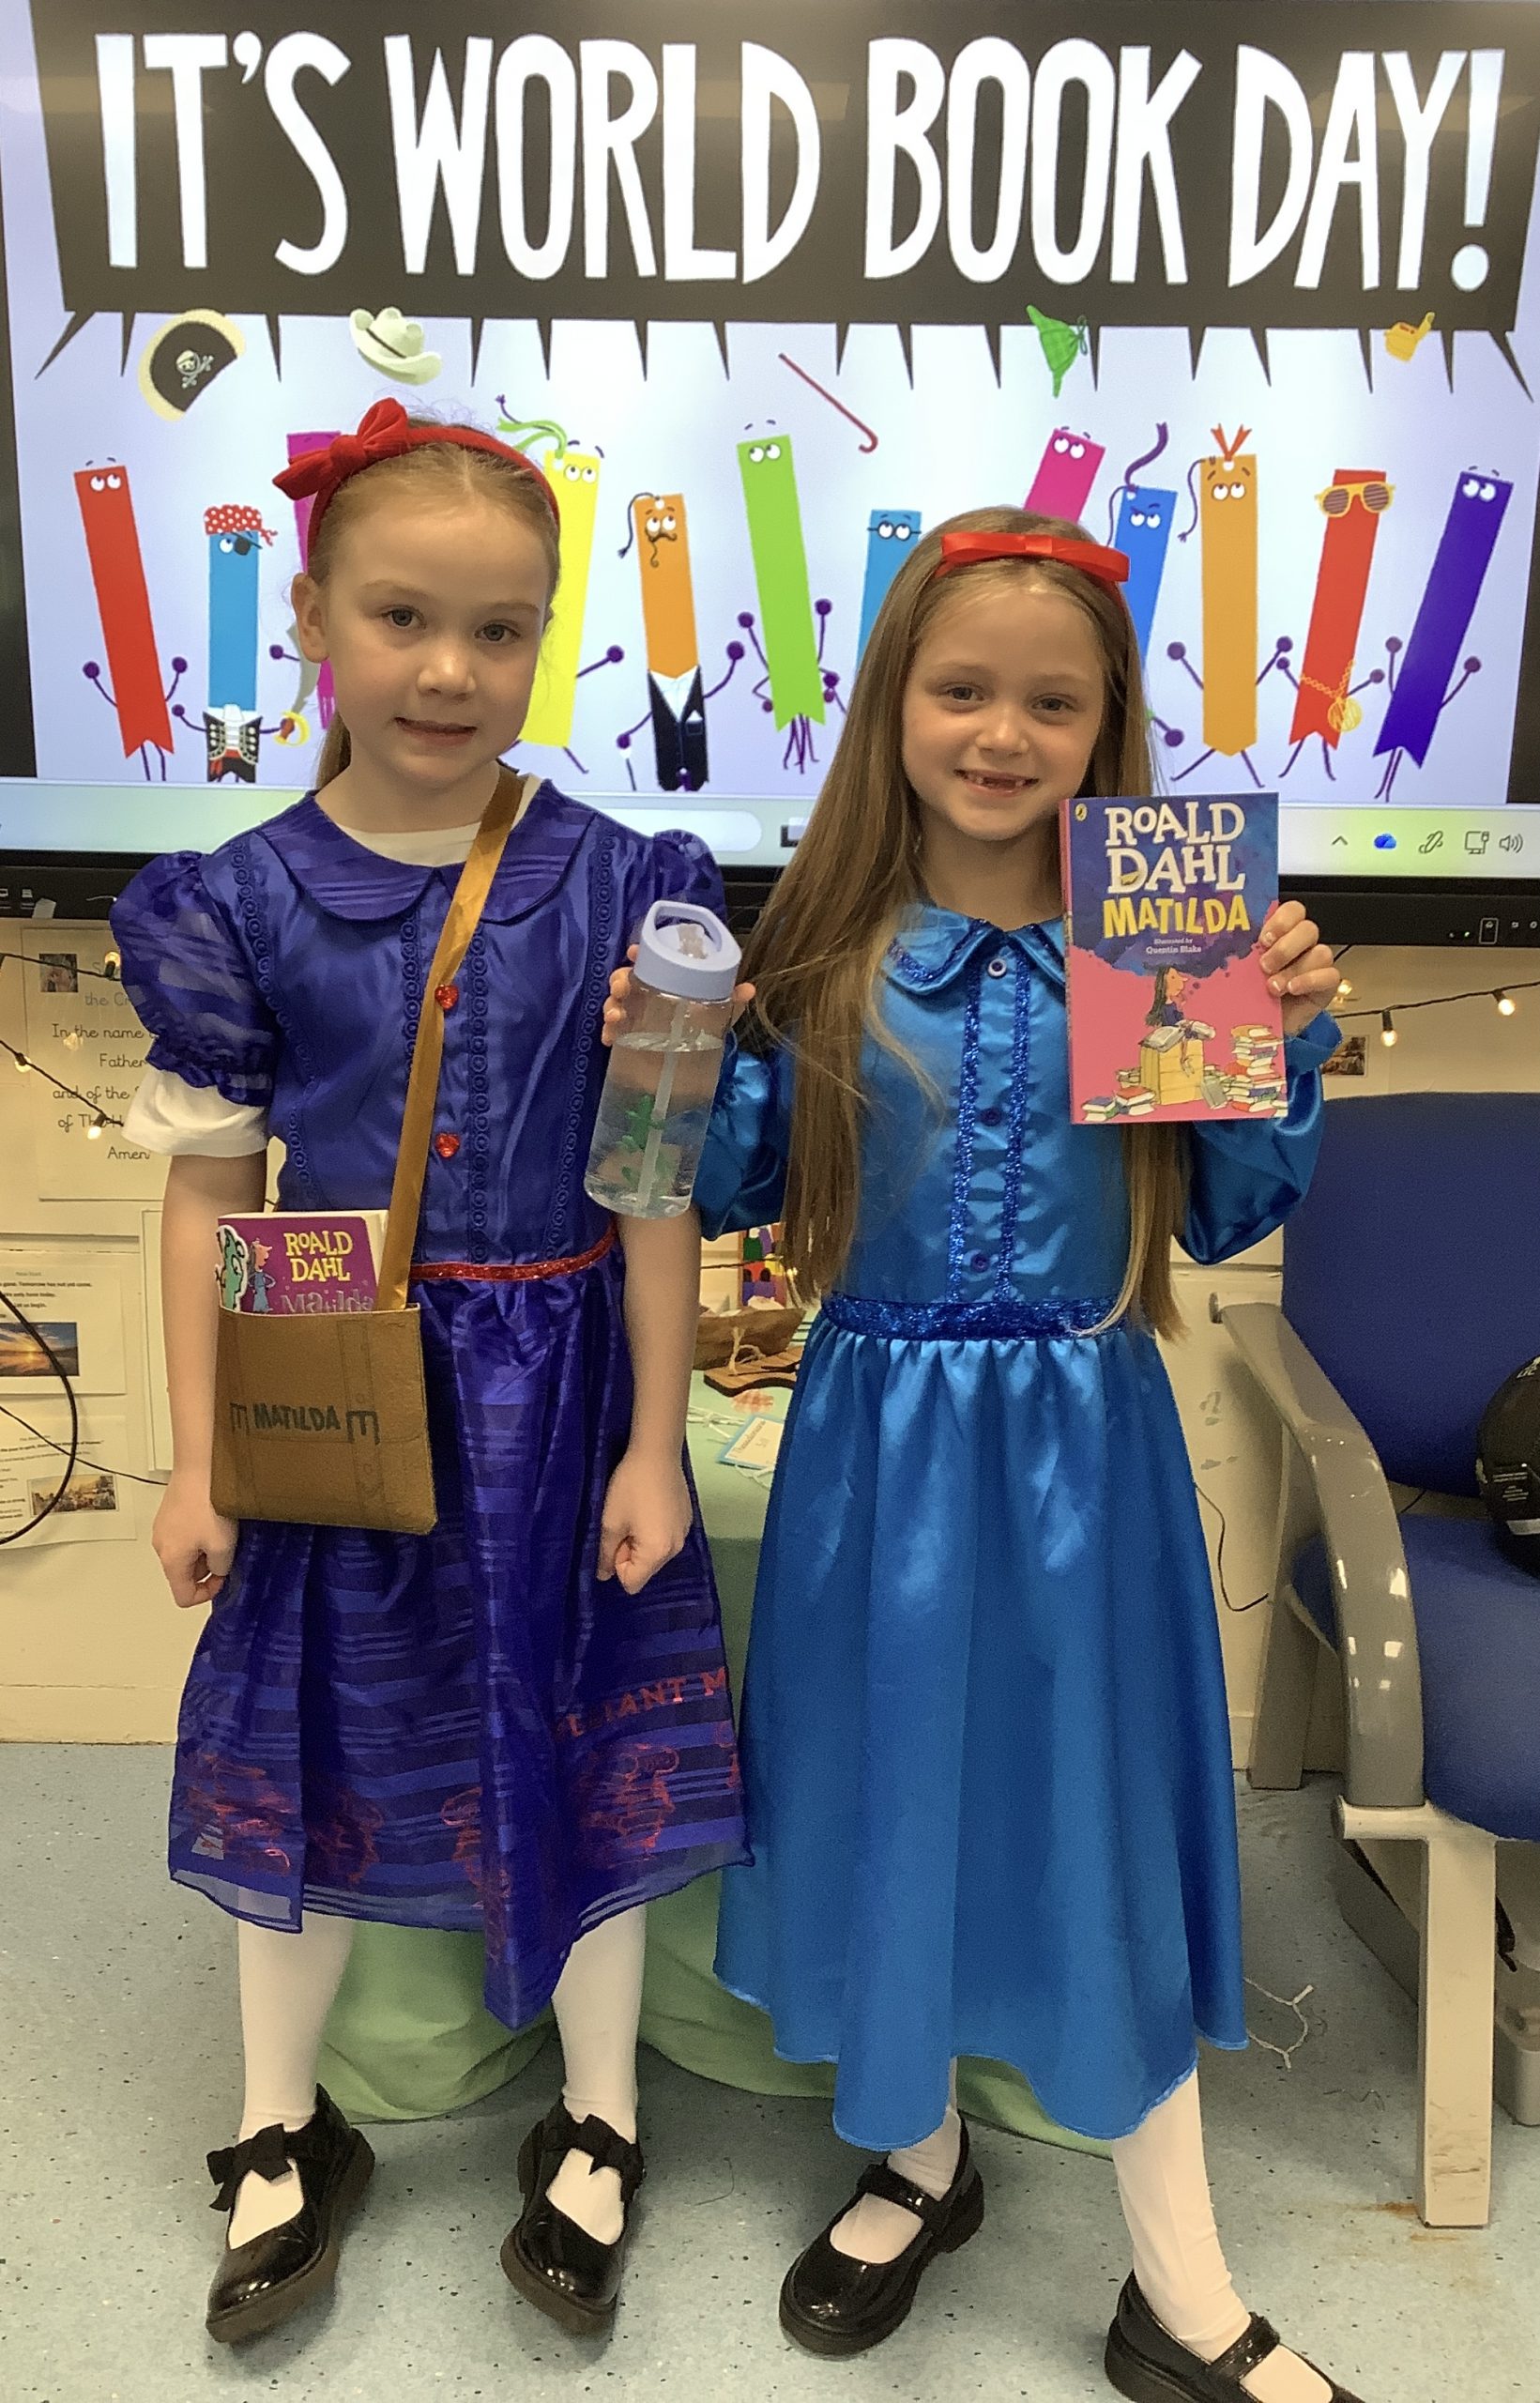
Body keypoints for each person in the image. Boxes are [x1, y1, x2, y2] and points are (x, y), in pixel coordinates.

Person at [613, 509, 1359, 2401]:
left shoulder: (1161, 930)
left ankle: (1179, 2286)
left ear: (1106, 722)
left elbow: (1216, 1213)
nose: (1001, 732)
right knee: (890, 1795)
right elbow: (722, 1181)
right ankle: (920, 2157)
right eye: (960, 690)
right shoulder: (824, 956)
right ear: (894, 705)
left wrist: (1278, 1035)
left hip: (1083, 1459)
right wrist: (665, 1061)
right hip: (874, 1456)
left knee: (1087, 1813)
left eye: (1051, 699)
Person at [113, 399, 746, 2346]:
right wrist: (198, 1459)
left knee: (589, 1735)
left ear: (545, 638)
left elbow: (652, 1185)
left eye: (498, 629)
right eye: (401, 617)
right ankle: (278, 2118)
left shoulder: (625, 883)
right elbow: (211, 1200)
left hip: (564, 1393)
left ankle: (601, 2109)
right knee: (299, 1741)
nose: (449, 669)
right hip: (336, 1387)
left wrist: (654, 1440)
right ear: (312, 618)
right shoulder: (233, 901)